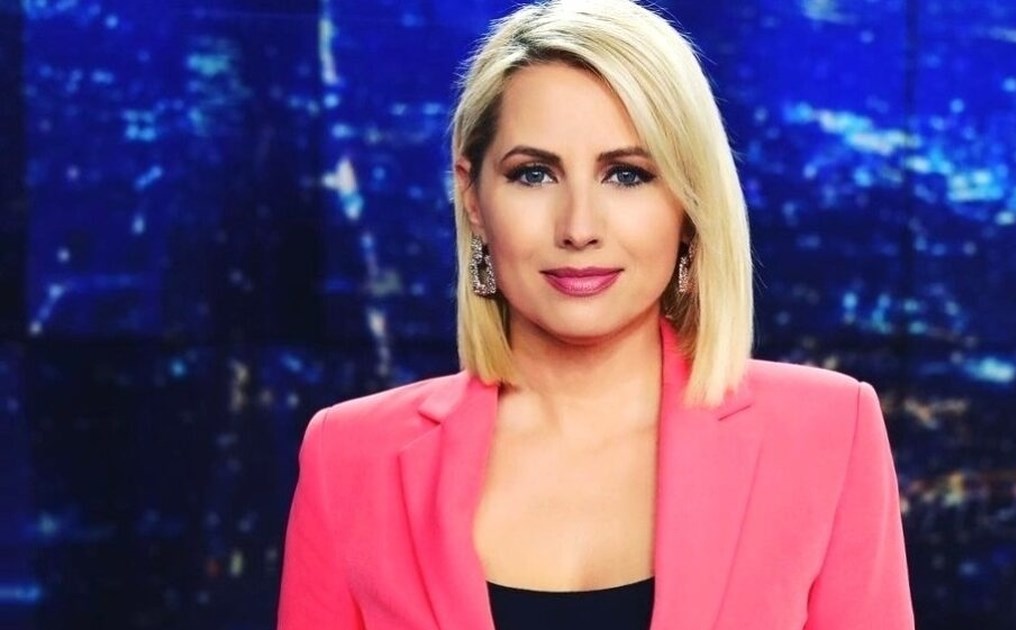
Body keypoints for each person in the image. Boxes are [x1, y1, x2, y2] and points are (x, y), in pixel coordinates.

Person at [277, 0, 913, 628]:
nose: (579, 227)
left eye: (627, 175)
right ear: (472, 196)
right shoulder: (349, 457)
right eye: (533, 174)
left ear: (689, 201)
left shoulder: (829, 434)